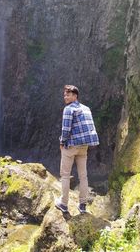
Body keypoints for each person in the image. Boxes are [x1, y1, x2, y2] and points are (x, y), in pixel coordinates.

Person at [55, 85, 99, 214]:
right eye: (64, 95)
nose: (65, 97)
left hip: (71, 146)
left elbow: (66, 129)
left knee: (65, 175)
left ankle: (63, 204)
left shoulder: (68, 109)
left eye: (68, 94)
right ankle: (82, 205)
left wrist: (62, 142)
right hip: (84, 147)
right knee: (83, 176)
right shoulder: (86, 109)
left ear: (75, 96)